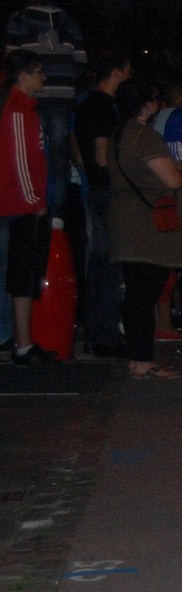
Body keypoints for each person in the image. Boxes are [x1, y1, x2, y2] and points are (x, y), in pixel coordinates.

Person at [109, 79, 182, 378]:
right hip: (147, 225)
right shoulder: (145, 137)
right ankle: (143, 360)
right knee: (144, 296)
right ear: (147, 105)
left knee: (136, 293)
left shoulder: (119, 134)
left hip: (125, 220)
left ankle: (138, 357)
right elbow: (172, 180)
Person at [5, 0, 86, 221]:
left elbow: (12, 61)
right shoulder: (68, 20)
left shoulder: (20, 19)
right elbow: (81, 60)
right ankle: (57, 217)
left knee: (32, 153)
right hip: (62, 96)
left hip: (33, 98)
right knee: (59, 156)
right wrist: (64, 75)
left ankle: (34, 207)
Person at [73, 50, 131, 357]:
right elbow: (101, 154)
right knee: (110, 265)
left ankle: (95, 334)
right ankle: (106, 338)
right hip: (108, 190)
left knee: (98, 263)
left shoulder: (86, 103)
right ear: (118, 72)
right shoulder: (104, 106)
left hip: (95, 188)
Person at [0, 51, 56, 363]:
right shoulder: (18, 110)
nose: (43, 77)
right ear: (24, 75)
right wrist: (35, 201)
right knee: (21, 274)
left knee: (16, 274)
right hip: (18, 206)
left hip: (18, 203)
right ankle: (21, 343)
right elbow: (19, 161)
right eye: (38, 72)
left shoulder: (24, 108)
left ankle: (16, 340)